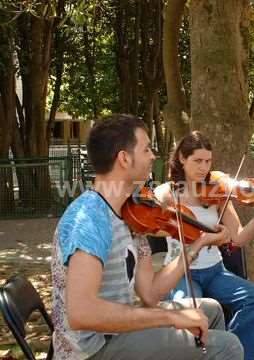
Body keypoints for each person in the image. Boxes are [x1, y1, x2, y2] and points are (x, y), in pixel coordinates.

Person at [51, 115, 243, 360]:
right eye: (146, 149)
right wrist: (172, 317)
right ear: (124, 158)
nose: (153, 156)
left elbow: (150, 293)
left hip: (117, 329)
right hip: (92, 349)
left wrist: (198, 244)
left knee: (212, 311)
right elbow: (81, 313)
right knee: (228, 346)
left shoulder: (131, 214)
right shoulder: (89, 218)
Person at [154, 131, 254, 360]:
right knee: (189, 318)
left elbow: (239, 238)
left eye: (208, 161)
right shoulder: (167, 192)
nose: (204, 168)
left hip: (215, 270)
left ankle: (234, 352)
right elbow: (153, 227)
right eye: (197, 160)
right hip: (181, 272)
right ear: (182, 159)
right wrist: (205, 237)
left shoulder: (218, 193)